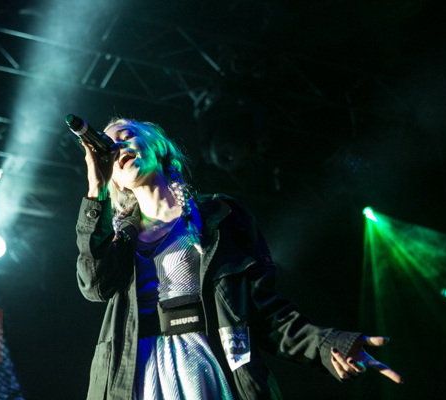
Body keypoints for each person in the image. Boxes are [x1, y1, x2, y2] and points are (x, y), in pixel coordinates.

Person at [75, 117, 402, 400]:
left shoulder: (219, 216)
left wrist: (328, 345)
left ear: (157, 145)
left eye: (127, 136)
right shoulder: (116, 240)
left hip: (206, 364)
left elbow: (263, 311)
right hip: (137, 373)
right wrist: (95, 189)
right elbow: (94, 287)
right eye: (110, 146)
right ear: (114, 179)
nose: (118, 147)